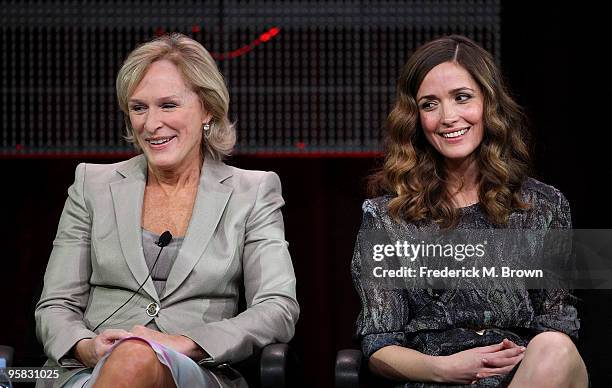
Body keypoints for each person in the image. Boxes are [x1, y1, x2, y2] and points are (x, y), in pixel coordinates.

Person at [35, 33, 299, 388]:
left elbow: (277, 308)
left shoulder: (252, 192)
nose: (151, 123)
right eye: (139, 107)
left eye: (168, 105)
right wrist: (85, 347)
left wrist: (187, 344)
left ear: (207, 108)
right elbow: (55, 305)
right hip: (87, 371)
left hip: (195, 372)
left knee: (136, 355)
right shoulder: (91, 185)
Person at [351, 35, 587, 387]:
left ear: (489, 104)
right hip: (434, 378)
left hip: (528, 373)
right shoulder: (387, 218)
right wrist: (448, 368)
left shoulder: (545, 208)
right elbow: (380, 343)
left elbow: (558, 322)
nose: (448, 117)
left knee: (555, 347)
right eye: (430, 104)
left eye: (462, 98)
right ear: (414, 118)